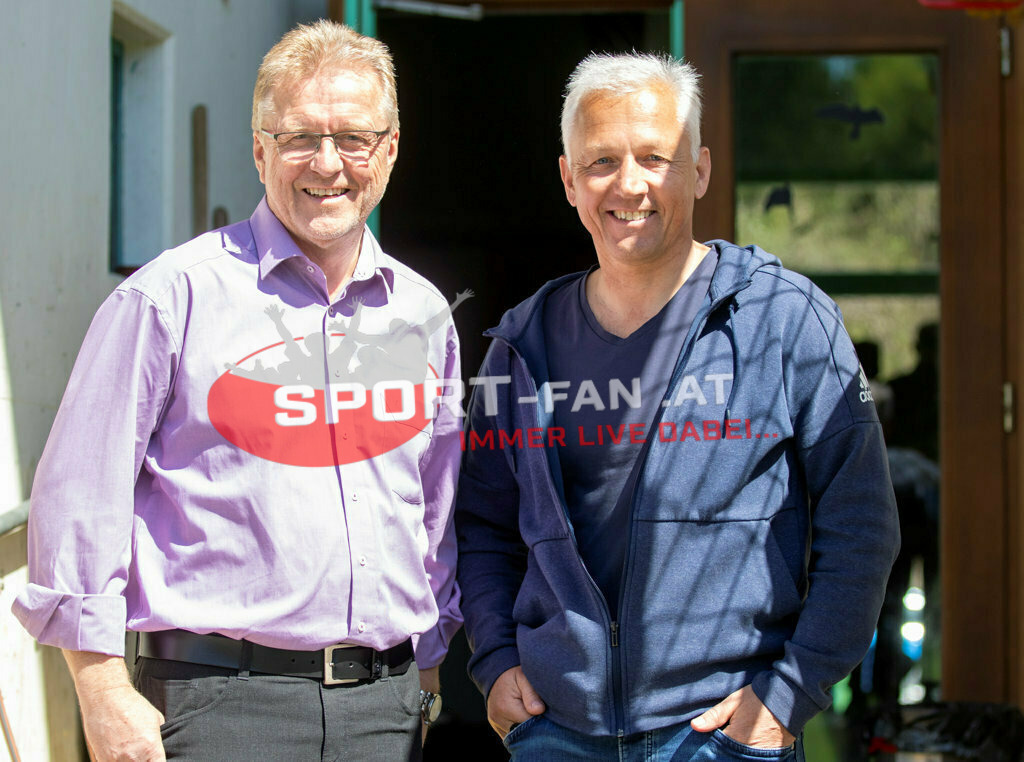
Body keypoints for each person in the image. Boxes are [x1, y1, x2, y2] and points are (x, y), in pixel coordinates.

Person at [12, 20, 462, 761]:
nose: (328, 163)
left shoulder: (424, 314)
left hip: (384, 710)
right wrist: (100, 692)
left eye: (353, 138)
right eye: (298, 138)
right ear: (259, 151)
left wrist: (430, 669)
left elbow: (434, 508)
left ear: (388, 152)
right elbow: (78, 499)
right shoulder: (168, 300)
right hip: (217, 707)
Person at [454, 52, 900, 760]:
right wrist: (496, 659)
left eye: (655, 157)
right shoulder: (522, 344)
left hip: (721, 735)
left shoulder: (785, 323)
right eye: (601, 161)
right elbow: (481, 526)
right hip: (556, 731)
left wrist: (792, 690)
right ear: (569, 180)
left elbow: (863, 526)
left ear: (699, 171)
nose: (629, 184)